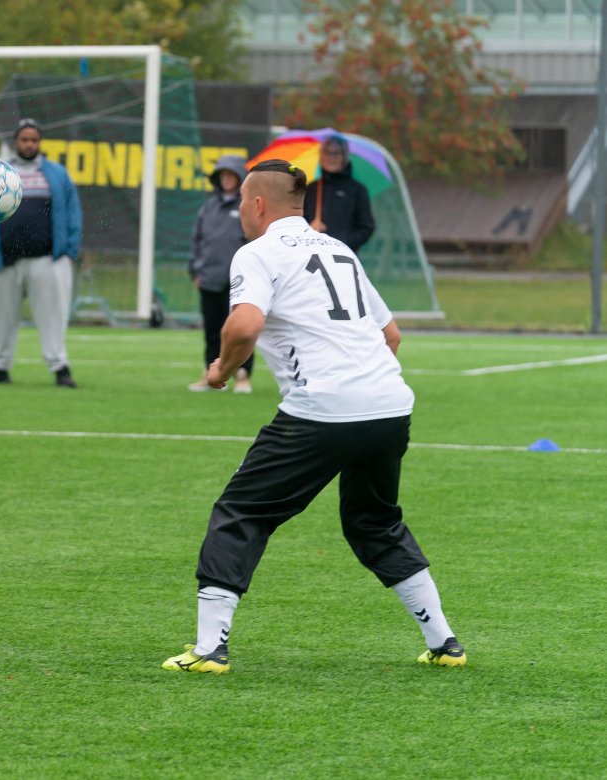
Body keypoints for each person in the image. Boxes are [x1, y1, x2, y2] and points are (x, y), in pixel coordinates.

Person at [162, 159, 465, 674]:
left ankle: (210, 648)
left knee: (241, 513)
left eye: (243, 203)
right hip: (390, 405)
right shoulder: (339, 249)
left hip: (322, 409)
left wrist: (220, 370)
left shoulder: (256, 253)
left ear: (258, 204)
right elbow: (391, 335)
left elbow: (243, 326)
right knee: (375, 523)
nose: (240, 211)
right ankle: (444, 642)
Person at [0, 118, 83, 388]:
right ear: (15, 142)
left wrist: (69, 251)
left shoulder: (57, 174)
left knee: (53, 316)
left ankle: (60, 367)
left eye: (34, 140)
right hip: (3, 262)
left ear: (39, 142)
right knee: (1, 317)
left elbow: (72, 213)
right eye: (24, 139)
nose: (29, 144)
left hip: (47, 259)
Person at [188, 154, 253, 394]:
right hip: (209, 278)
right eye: (222, 175)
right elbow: (197, 240)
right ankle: (211, 376)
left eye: (231, 175)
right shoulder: (208, 207)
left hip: (238, 282)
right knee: (212, 331)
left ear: (239, 177)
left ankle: (242, 376)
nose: (226, 179)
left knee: (240, 330)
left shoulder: (246, 205)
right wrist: (196, 270)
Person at [302, 135, 375, 253]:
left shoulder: (357, 190)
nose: (331, 157)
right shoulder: (311, 188)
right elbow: (298, 220)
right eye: (327, 152)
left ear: (344, 156)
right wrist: (308, 229)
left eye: (336, 153)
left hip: (343, 256)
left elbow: (366, 227)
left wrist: (343, 242)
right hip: (313, 253)